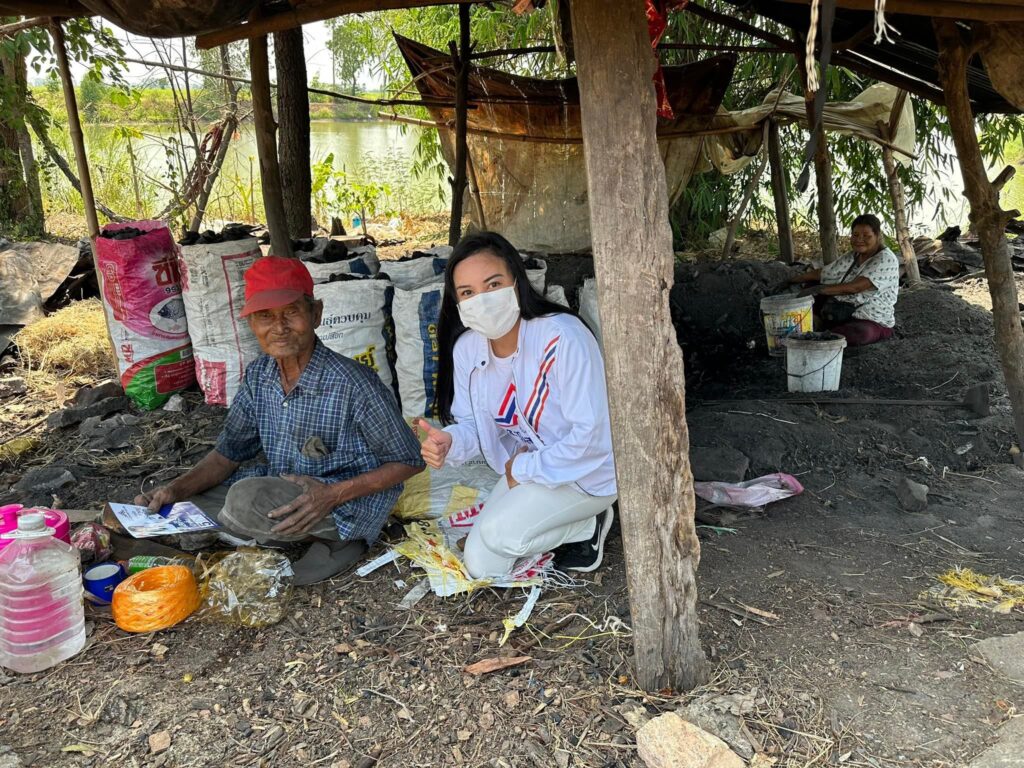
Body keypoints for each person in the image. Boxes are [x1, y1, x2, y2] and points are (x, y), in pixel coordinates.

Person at [135, 256, 424, 585]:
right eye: (265, 316)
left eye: (291, 312)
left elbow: (409, 460)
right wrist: (175, 489)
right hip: (283, 493)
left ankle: (339, 540)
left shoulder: (354, 383)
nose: (279, 327)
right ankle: (266, 529)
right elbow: (228, 453)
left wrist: (332, 494)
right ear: (251, 324)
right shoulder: (259, 375)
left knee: (244, 500)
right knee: (182, 498)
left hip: (345, 505)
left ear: (315, 314)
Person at [416, 232, 617, 578]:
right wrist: (451, 441)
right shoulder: (468, 349)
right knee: (482, 563)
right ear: (458, 303)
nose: (482, 301)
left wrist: (522, 469)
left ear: (516, 281)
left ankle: (589, 521)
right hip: (532, 467)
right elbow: (473, 425)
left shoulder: (562, 337)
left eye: (493, 284)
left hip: (587, 473)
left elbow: (593, 438)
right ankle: (575, 526)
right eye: (467, 293)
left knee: (497, 538)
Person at [786, 214, 900, 347]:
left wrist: (819, 289)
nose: (859, 240)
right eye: (855, 235)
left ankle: (821, 335)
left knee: (861, 333)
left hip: (871, 318)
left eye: (866, 236)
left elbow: (856, 287)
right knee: (812, 283)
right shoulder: (854, 255)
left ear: (878, 236)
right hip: (844, 310)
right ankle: (818, 323)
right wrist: (790, 281)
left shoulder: (885, 259)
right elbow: (824, 273)